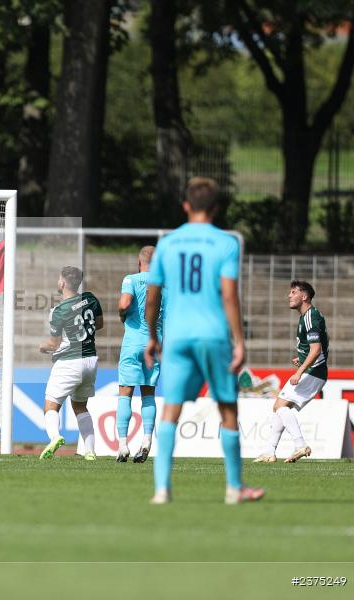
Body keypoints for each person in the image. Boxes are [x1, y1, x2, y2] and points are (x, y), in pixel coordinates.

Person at [145, 177, 263, 505]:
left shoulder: (168, 243)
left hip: (178, 336)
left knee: (171, 408)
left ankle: (161, 489)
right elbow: (229, 294)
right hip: (213, 335)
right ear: (215, 208)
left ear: (185, 205)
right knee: (227, 408)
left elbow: (152, 295)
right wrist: (239, 341)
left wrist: (153, 336)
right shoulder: (226, 243)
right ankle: (233, 488)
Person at [254, 281, 328, 464]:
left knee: (280, 406)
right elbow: (318, 347)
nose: (289, 295)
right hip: (312, 370)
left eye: (293, 292)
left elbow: (316, 349)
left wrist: (299, 371)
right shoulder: (306, 316)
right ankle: (269, 451)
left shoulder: (311, 316)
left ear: (304, 297)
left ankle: (300, 445)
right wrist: (301, 359)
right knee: (279, 407)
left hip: (312, 372)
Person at [38, 267, 103, 461]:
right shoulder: (91, 298)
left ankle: (55, 437)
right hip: (90, 361)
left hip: (69, 361)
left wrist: (42, 346)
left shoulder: (59, 311)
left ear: (63, 283)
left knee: (51, 406)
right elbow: (98, 324)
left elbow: (54, 343)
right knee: (81, 407)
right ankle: (90, 451)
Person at [115, 246, 162, 463]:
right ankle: (146, 442)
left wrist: (122, 314)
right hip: (155, 344)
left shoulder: (131, 279)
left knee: (125, 392)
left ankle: (123, 445)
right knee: (148, 394)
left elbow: (124, 303)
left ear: (138, 261)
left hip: (133, 342)